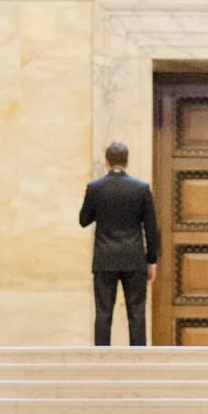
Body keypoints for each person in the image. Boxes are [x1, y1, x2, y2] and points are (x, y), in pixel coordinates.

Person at [79, 142, 161, 348]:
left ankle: (101, 357)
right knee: (137, 312)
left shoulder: (95, 188)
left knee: (103, 312)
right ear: (127, 161)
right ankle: (138, 357)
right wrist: (152, 261)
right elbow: (151, 228)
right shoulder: (141, 189)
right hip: (134, 258)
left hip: (105, 258)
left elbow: (83, 220)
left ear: (106, 162)